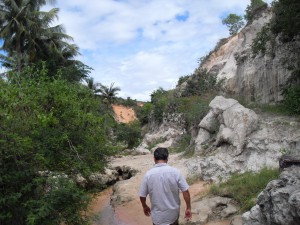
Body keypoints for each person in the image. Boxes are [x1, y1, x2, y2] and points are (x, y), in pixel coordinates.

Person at [139, 147, 192, 225]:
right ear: (167, 158)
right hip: (173, 215)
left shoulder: (148, 175)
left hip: (158, 217)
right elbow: (185, 191)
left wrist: (145, 206)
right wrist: (188, 208)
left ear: (154, 159)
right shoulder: (175, 172)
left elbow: (142, 195)